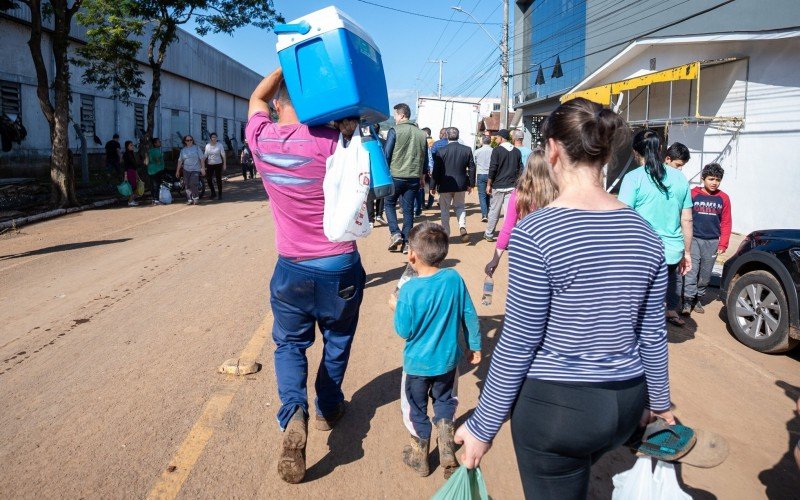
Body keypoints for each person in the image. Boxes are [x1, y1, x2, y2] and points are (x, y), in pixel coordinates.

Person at [455, 97, 673, 499]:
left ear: (552, 148)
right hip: (626, 402)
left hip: (558, 408)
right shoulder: (645, 233)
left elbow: (520, 340)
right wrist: (659, 403)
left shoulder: (538, 232)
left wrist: (483, 425)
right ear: (606, 152)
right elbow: (652, 332)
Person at [246, 68, 366, 484]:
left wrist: (285, 65)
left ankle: (292, 410)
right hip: (339, 266)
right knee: (337, 339)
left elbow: (256, 100)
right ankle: (328, 407)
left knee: (290, 344)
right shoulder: (337, 142)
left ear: (280, 103)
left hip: (291, 268)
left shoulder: (260, 139)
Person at [390, 222, 481, 479]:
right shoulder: (453, 278)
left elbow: (404, 330)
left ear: (412, 255)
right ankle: (446, 445)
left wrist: (395, 307)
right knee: (445, 401)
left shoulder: (408, 290)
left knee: (415, 408)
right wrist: (474, 345)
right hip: (448, 362)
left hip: (416, 366)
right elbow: (469, 314)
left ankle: (420, 456)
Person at [619, 129, 693, 327]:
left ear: (636, 152)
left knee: (637, 305)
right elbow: (686, 220)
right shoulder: (679, 179)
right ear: (661, 149)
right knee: (661, 293)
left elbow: (624, 219)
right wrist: (686, 252)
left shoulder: (633, 178)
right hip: (671, 251)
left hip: (640, 252)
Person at [484, 149, 558, 277]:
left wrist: (495, 259)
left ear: (528, 168)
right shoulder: (558, 193)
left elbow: (508, 228)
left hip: (528, 252)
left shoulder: (520, 194)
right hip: (553, 251)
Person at [682, 163, 731, 315]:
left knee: (705, 274)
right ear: (703, 178)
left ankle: (698, 298)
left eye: (717, 179)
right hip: (693, 239)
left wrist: (723, 243)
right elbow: (683, 216)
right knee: (691, 270)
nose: (714, 182)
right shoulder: (692, 194)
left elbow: (726, 222)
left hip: (712, 242)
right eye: (711, 178)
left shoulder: (724, 198)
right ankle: (687, 301)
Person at [384, 103, 429, 254]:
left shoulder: (394, 130)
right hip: (414, 178)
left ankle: (395, 233)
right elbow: (424, 159)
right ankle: (407, 242)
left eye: (395, 115)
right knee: (408, 209)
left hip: (396, 175)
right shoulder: (422, 134)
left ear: (402, 115)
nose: (395, 118)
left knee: (389, 203)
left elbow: (387, 154)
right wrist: (422, 177)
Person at [431, 127, 475, 242]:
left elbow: (436, 170)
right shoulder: (467, 149)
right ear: (458, 135)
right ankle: (462, 226)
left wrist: (432, 186)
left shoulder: (441, 151)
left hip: (444, 185)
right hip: (461, 184)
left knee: (445, 210)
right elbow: (472, 167)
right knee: (460, 206)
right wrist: (471, 183)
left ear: (446, 135)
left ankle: (446, 234)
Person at [483, 129, 522, 242]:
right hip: (512, 186)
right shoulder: (516, 151)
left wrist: (489, 184)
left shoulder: (497, 151)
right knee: (509, 213)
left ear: (501, 138)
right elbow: (520, 169)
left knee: (494, 211)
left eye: (497, 137)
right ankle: (508, 236)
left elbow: (493, 168)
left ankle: (489, 234)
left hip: (498, 185)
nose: (496, 139)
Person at [366, 122, 387, 226]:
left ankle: (370, 220)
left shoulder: (365, 142)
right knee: (381, 194)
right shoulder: (383, 141)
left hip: (368, 170)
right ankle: (379, 214)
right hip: (381, 171)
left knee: (369, 195)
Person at [176, 135, 205, 205]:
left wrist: (203, 168)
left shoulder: (197, 148)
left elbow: (202, 159)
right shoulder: (183, 150)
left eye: (190, 140)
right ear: (185, 141)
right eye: (187, 140)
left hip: (195, 169)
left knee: (193, 183)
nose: (189, 141)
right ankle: (190, 199)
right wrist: (177, 171)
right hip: (186, 170)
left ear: (192, 140)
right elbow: (180, 161)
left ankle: (196, 198)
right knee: (187, 185)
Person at [474, 136, 493, 222]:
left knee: (482, 195)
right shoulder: (494, 151)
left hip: (481, 173)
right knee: (489, 194)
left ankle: (484, 214)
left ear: (482, 142)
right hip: (491, 175)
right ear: (490, 142)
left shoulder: (477, 151)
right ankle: (487, 212)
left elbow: (474, 163)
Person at [204, 132, 226, 200]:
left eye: (215, 137)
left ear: (217, 138)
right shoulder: (207, 146)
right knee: (208, 179)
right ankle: (213, 193)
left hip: (218, 164)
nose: (214, 138)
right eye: (213, 137)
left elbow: (223, 155)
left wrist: (224, 164)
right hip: (210, 164)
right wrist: (201, 162)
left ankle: (220, 194)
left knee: (218, 179)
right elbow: (205, 155)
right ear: (210, 138)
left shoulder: (220, 145)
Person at [147, 138, 165, 205]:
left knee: (153, 185)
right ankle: (157, 200)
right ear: (155, 144)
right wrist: (161, 156)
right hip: (157, 170)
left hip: (151, 170)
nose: (160, 142)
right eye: (158, 142)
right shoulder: (157, 151)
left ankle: (153, 199)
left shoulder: (150, 150)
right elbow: (157, 161)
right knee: (156, 185)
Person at [121, 140, 139, 206]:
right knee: (132, 186)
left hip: (133, 171)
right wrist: (125, 175)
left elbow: (134, 165)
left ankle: (132, 200)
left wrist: (136, 173)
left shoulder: (131, 153)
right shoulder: (126, 154)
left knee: (134, 186)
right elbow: (125, 166)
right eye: (130, 145)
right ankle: (130, 201)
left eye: (132, 145)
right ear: (127, 146)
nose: (132, 146)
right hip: (129, 172)